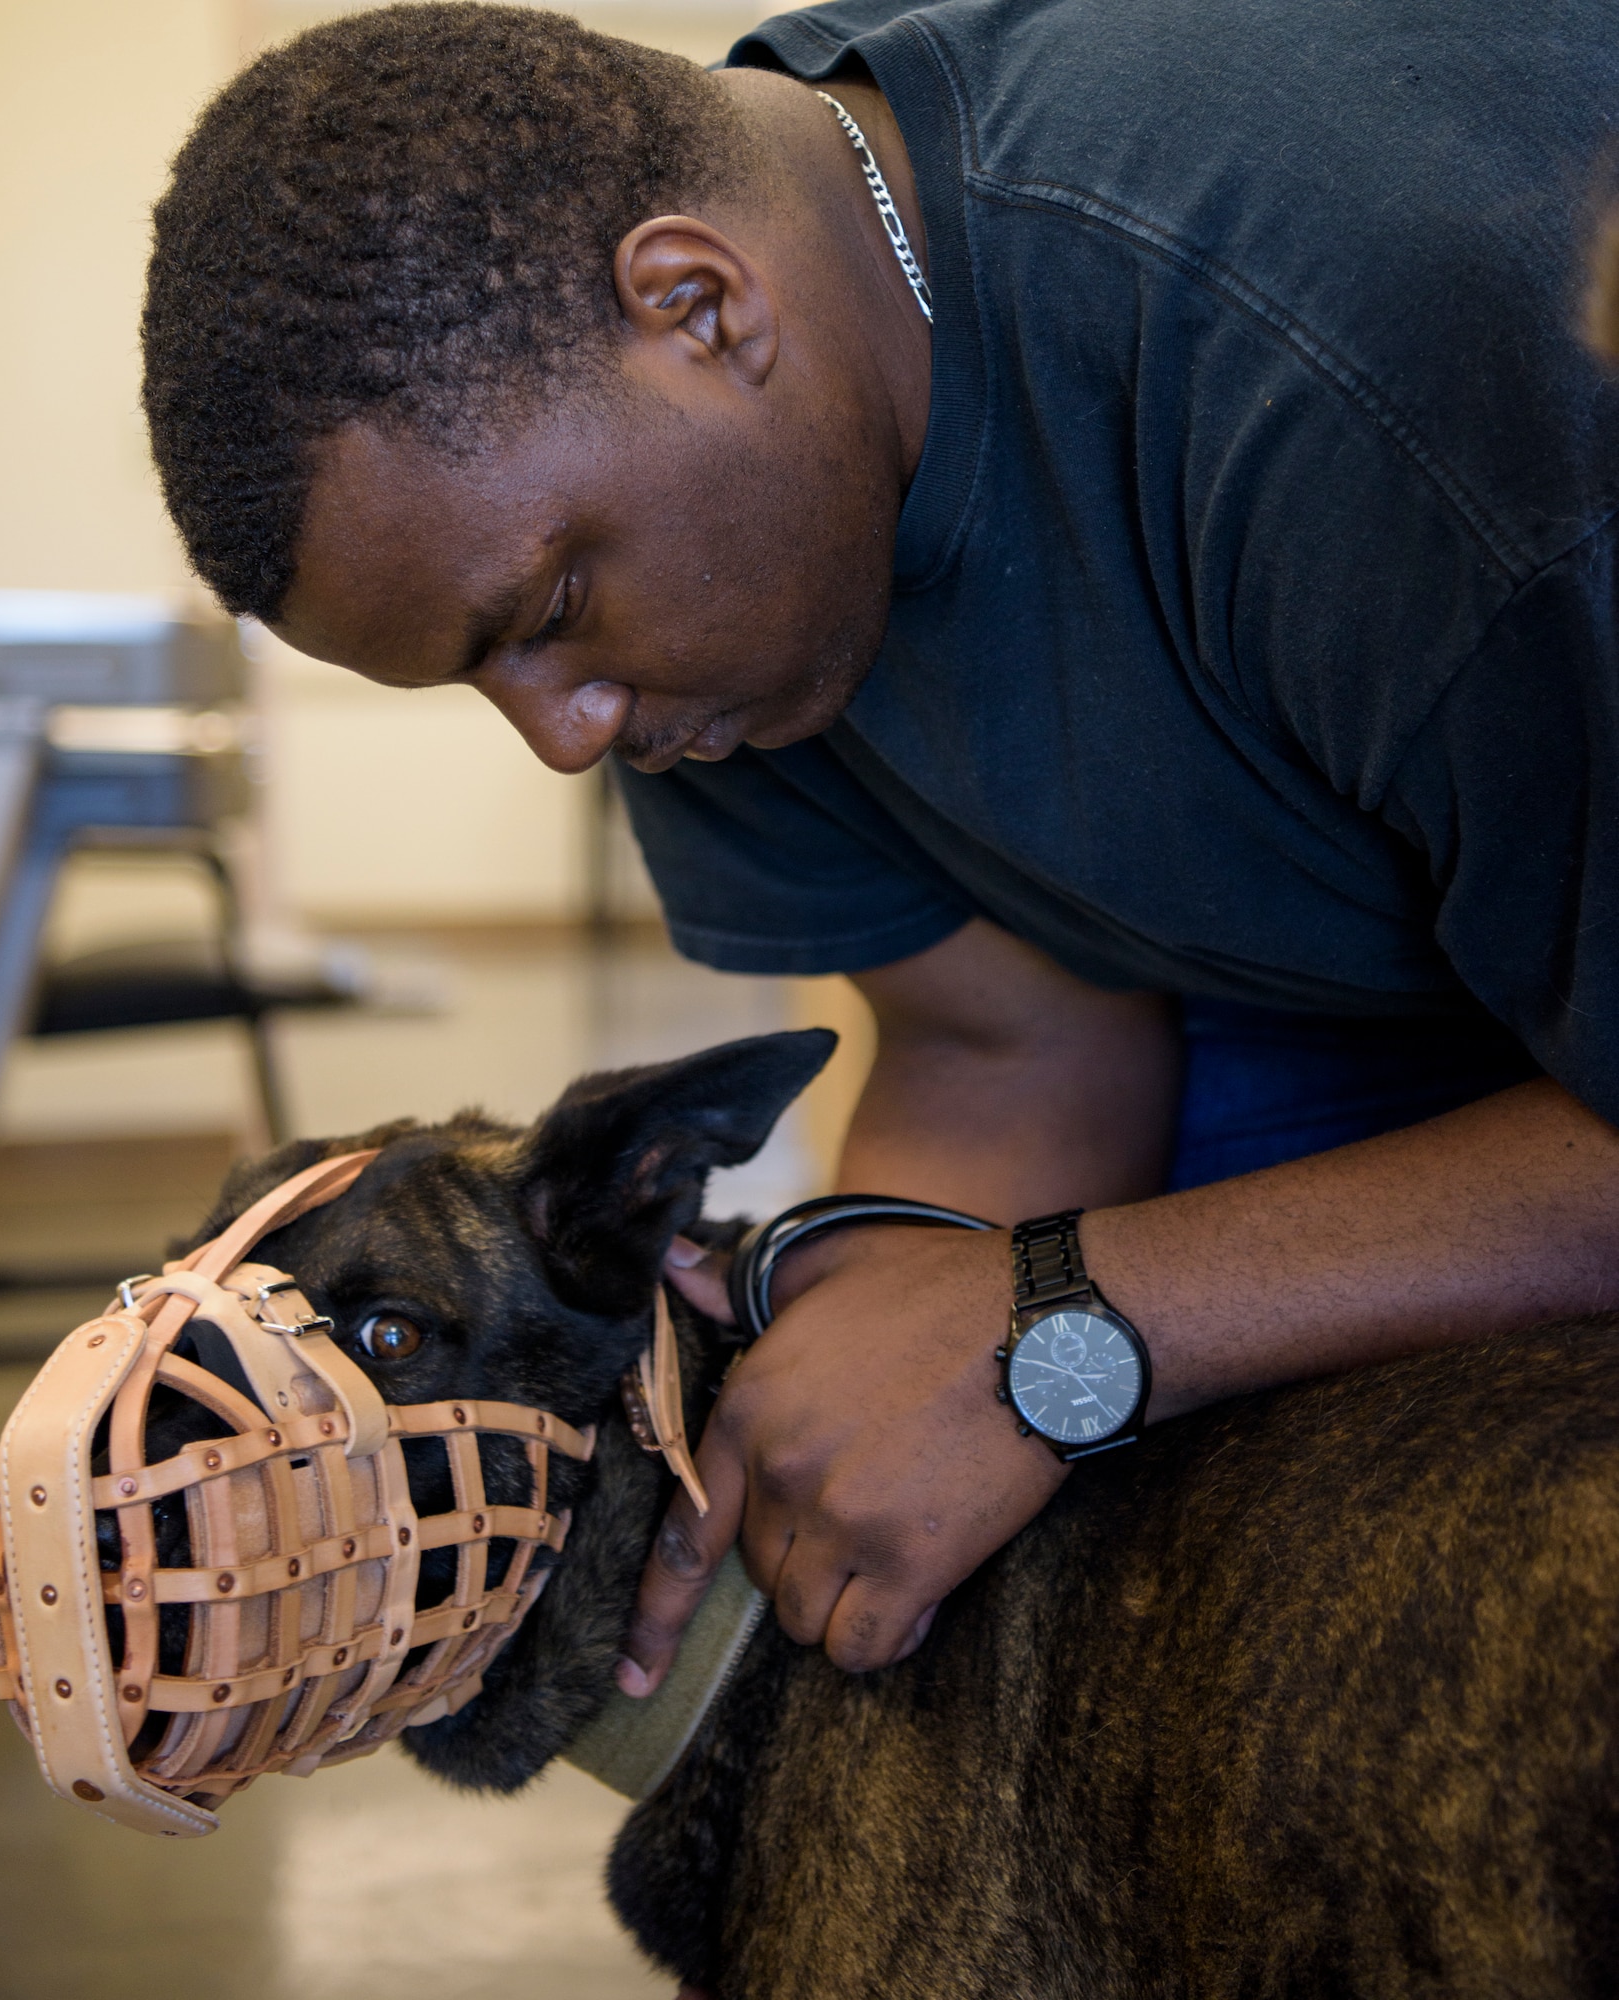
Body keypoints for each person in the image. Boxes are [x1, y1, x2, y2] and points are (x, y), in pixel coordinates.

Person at [141, 0, 1619, 1703]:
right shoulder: (729, 591)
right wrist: (851, 1348)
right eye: (487, 676)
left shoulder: (1386, 363)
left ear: (696, 303)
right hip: (1357, 961)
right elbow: (1005, 1037)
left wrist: (1053, 1325)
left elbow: (1064, 1310)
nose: (565, 734)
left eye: (547, 616)